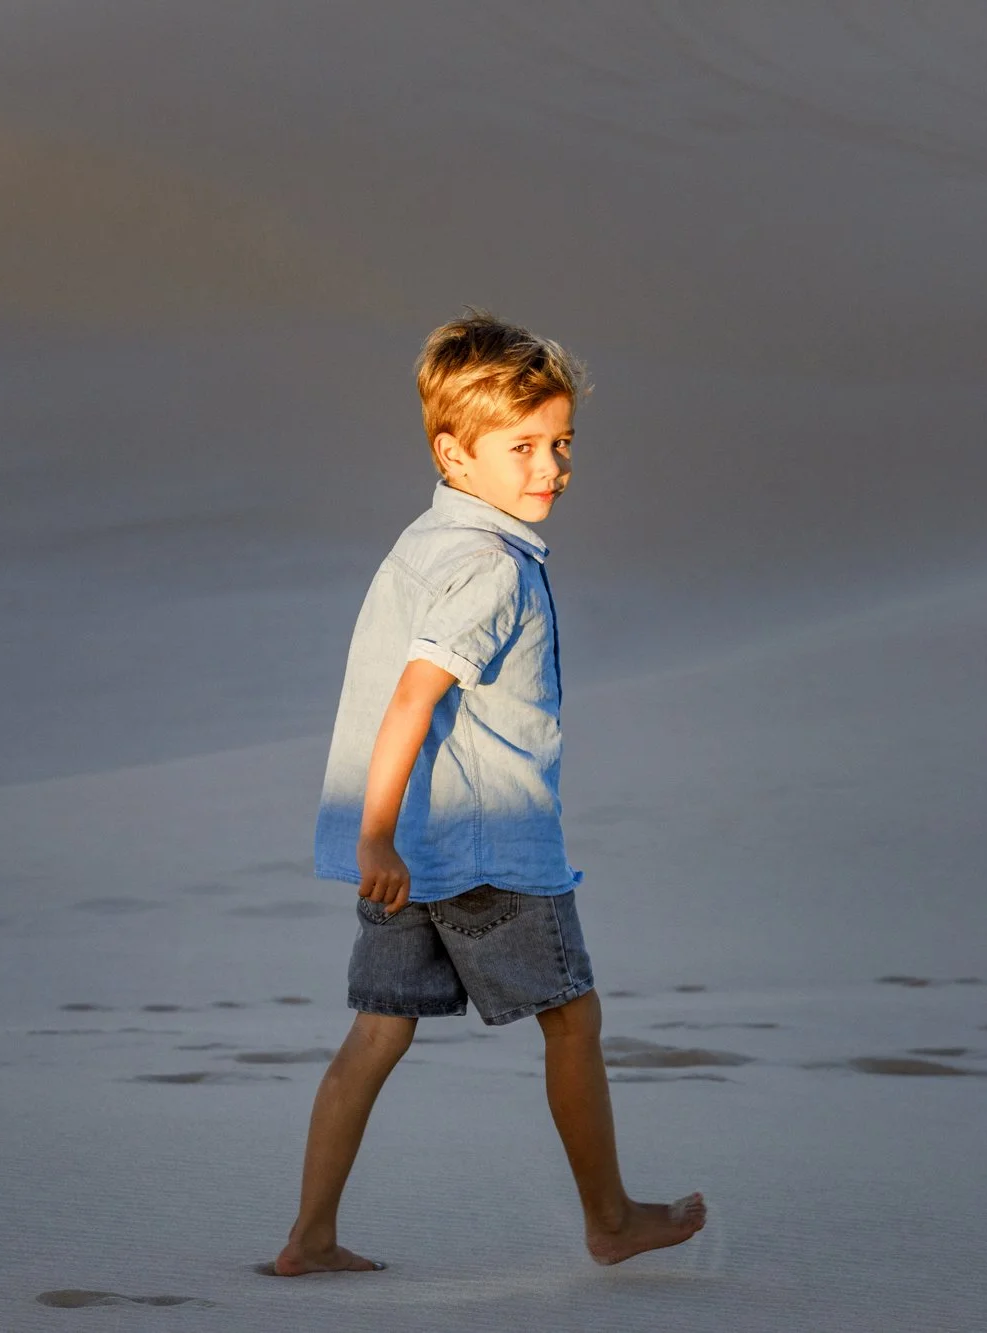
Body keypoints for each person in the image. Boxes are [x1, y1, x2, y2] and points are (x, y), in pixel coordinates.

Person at [273, 310, 707, 1275]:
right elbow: (411, 700)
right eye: (522, 447)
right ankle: (610, 1219)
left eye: (561, 443)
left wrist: (379, 843)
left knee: (378, 1032)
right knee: (573, 1016)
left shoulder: (423, 542)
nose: (550, 467)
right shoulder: (490, 566)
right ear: (452, 450)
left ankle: (309, 1237)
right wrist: (379, 834)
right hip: (483, 845)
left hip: (408, 854)